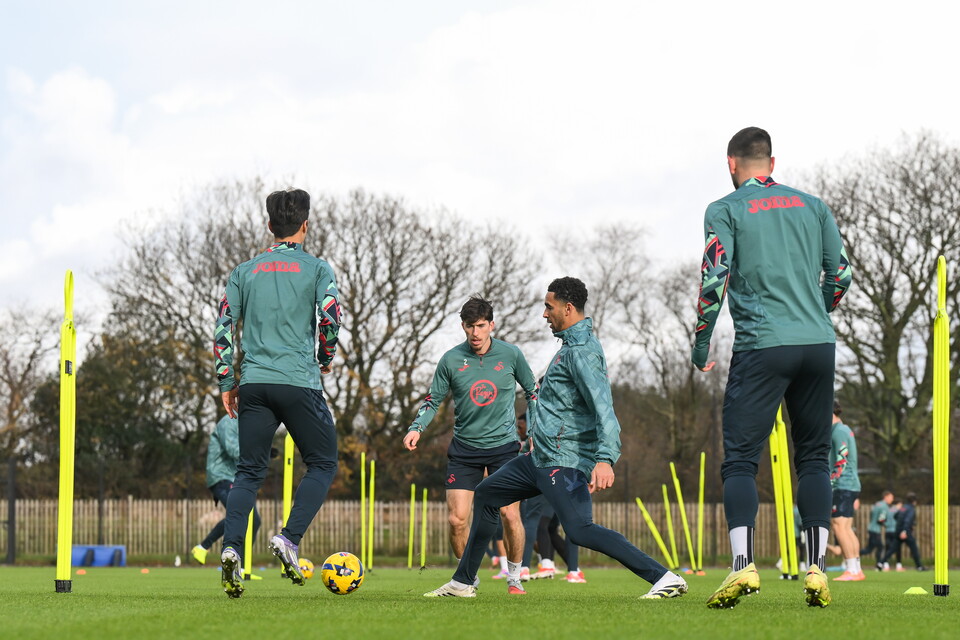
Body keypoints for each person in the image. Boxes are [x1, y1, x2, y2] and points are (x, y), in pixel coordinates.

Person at [424, 277, 687, 599]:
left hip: (564, 460)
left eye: (548, 307)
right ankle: (464, 582)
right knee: (488, 494)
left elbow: (603, 407)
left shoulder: (583, 353)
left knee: (580, 530)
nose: (544, 314)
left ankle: (664, 578)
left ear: (568, 307)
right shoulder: (568, 348)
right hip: (538, 458)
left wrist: (604, 459)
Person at [692, 127, 853, 609]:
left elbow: (714, 277)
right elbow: (841, 272)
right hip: (819, 343)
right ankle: (818, 570)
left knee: (740, 458)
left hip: (764, 345)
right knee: (814, 459)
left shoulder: (724, 209)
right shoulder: (813, 205)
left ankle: (742, 566)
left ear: (730, 163)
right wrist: (816, 310)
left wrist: (701, 345)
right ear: (772, 161)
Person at [213, 188, 342, 598]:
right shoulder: (319, 270)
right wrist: (325, 355)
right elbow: (330, 316)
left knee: (247, 472)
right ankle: (287, 538)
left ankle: (233, 548)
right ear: (306, 224)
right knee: (322, 462)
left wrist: (226, 382)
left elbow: (222, 328)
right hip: (298, 381)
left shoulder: (243, 271)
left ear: (269, 225)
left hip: (253, 383)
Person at [403, 296, 535, 594]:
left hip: (504, 448)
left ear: (491, 325)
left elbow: (533, 392)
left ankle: (514, 575)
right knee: (456, 519)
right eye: (469, 326)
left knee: (510, 514)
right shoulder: (451, 359)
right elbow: (433, 399)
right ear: (462, 326)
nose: (475, 333)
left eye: (480, 326)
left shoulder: (511, 355)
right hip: (464, 449)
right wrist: (416, 428)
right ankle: (467, 579)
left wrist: (535, 432)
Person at [190, 416, 261, 567]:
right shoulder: (228, 422)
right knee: (243, 514)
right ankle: (205, 548)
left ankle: (242, 566)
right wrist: (257, 455)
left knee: (251, 519)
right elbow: (233, 449)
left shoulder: (244, 423)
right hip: (221, 476)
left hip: (234, 478)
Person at [829, 402, 863, 581]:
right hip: (849, 484)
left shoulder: (838, 431)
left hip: (843, 484)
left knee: (839, 526)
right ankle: (856, 569)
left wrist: (831, 479)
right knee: (847, 528)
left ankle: (851, 569)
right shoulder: (843, 429)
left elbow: (842, 457)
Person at [882, 492, 925, 571]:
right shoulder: (910, 509)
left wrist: (899, 524)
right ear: (914, 501)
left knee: (892, 549)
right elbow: (907, 520)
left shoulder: (903, 507)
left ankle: (881, 563)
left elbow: (896, 516)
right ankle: (919, 566)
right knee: (914, 548)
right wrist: (904, 530)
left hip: (897, 530)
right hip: (905, 531)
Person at [862, 491, 894, 570]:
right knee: (880, 547)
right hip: (876, 530)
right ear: (886, 497)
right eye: (891, 497)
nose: (892, 499)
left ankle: (852, 557)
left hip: (871, 528)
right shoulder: (884, 506)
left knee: (869, 549)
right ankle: (879, 565)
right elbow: (881, 520)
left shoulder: (877, 504)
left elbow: (872, 514)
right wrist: (887, 525)